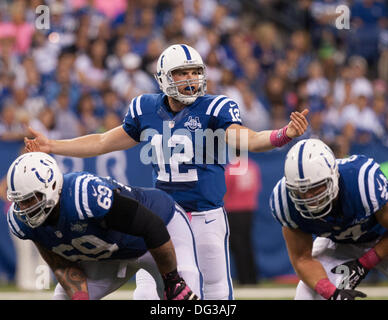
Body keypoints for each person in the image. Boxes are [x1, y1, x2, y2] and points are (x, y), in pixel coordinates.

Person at [24, 44, 309, 300]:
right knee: (148, 292)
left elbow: (244, 138)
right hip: (164, 218)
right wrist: (52, 145)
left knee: (215, 292)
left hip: (205, 215)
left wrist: (282, 135)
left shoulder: (215, 107)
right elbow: (101, 142)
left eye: (195, 72)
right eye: (181, 73)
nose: (190, 79)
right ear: (163, 78)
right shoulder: (144, 108)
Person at [6, 152, 201, 300]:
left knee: (178, 298)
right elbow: (60, 262)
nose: (25, 208)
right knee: (65, 297)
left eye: (31, 200)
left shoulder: (83, 195)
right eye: (20, 202)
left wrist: (172, 280)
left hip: (162, 229)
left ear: (50, 187)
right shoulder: (22, 222)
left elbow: (152, 226)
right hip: (111, 254)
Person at [270, 138, 388, 300]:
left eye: (316, 187)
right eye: (301, 191)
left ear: (334, 176)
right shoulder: (285, 201)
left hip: (381, 237)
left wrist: (365, 263)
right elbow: (302, 259)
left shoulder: (362, 181)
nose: (309, 198)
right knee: (307, 295)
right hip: (339, 244)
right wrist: (333, 294)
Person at [224, 153, 261, 285]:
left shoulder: (231, 169)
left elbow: (225, 191)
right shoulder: (253, 167)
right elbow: (257, 187)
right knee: (247, 244)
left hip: (234, 210)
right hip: (249, 210)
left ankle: (243, 278)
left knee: (237, 246)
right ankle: (252, 277)